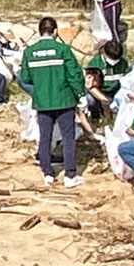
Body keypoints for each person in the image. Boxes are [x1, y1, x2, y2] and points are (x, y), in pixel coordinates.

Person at [18, 18, 85, 187]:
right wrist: (80, 95)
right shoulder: (63, 49)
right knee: (68, 137)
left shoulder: (29, 52)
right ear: (55, 31)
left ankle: (48, 173)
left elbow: (25, 77)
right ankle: (70, 175)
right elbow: (74, 75)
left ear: (40, 31)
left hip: (42, 102)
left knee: (45, 138)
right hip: (64, 101)